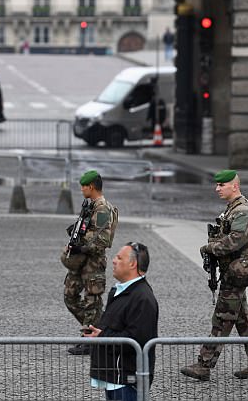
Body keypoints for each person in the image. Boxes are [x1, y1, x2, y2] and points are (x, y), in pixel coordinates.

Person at [181, 170, 248, 381]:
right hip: (233, 270)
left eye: (222, 185)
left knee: (222, 318)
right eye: (217, 185)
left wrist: (210, 248)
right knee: (243, 319)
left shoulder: (242, 211)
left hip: (236, 270)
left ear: (234, 186)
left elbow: (235, 240)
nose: (217, 188)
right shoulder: (233, 209)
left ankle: (204, 365)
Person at [86, 242, 158, 401]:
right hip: (115, 378)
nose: (113, 261)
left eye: (119, 258)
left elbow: (137, 340)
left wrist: (103, 336)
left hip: (127, 380)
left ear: (133, 264)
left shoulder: (142, 298)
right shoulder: (119, 291)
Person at [61, 170, 118, 355]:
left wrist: (81, 245)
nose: (81, 189)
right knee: (70, 296)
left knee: (92, 300)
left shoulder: (102, 208)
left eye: (83, 186)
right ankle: (99, 332)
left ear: (91, 187)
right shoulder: (90, 205)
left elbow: (102, 238)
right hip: (80, 262)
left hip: (93, 261)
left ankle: (90, 339)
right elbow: (87, 228)